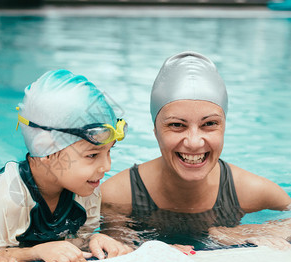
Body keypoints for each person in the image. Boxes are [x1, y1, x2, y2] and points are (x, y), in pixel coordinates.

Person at [101, 51, 291, 249]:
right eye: (176, 125)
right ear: (156, 132)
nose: (194, 142)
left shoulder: (256, 193)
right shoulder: (118, 196)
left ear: (224, 128)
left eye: (209, 124)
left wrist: (251, 231)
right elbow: (115, 255)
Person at [0, 69, 133, 262]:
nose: (107, 166)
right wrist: (35, 252)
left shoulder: (86, 186)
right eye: (92, 155)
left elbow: (78, 240)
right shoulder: (8, 197)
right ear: (46, 150)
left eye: (109, 152)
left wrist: (96, 239)